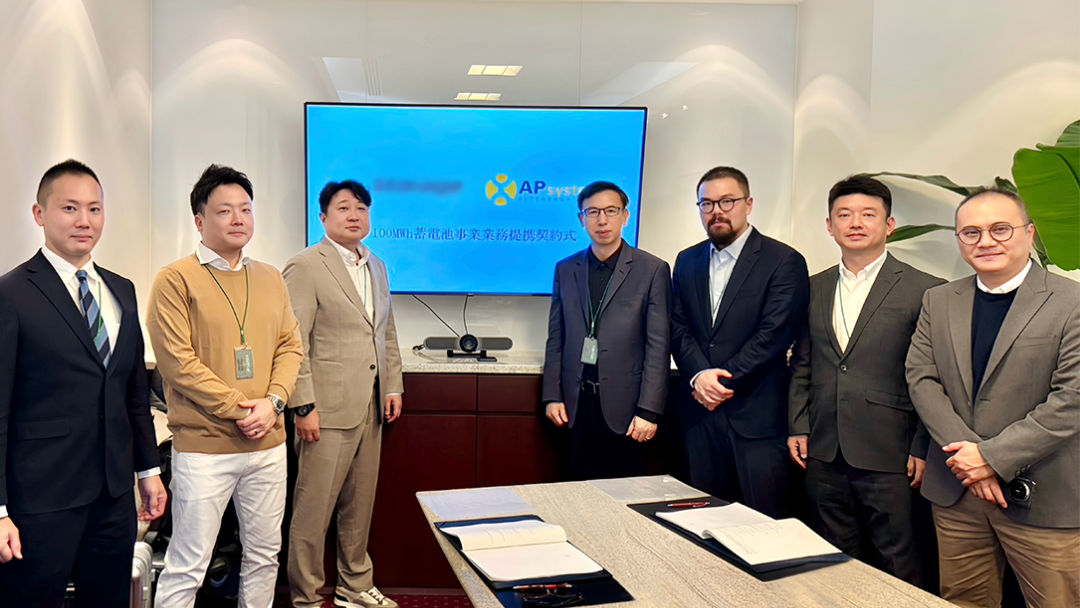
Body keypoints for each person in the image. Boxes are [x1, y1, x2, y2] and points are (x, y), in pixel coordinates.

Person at [0, 160, 165, 607]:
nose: (84, 221)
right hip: (40, 498)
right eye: (69, 208)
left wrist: (148, 471)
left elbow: (133, 393)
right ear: (39, 214)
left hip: (113, 496)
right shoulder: (11, 294)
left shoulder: (122, 290)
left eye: (94, 209)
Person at [906, 188, 1080, 607]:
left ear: (1030, 233)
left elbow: (1072, 398)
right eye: (971, 232)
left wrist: (990, 458)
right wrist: (972, 462)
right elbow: (921, 378)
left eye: (1000, 229)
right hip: (956, 491)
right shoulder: (939, 300)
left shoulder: (1072, 302)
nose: (986, 241)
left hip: (1044, 494)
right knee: (962, 600)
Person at [148, 164, 303, 608]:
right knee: (188, 565)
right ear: (199, 221)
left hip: (268, 444)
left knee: (264, 557)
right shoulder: (175, 279)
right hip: (205, 448)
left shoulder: (271, 277)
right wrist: (244, 409)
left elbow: (291, 346)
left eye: (246, 209)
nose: (238, 219)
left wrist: (274, 403)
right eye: (224, 211)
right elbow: (179, 364)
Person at [788, 175, 943, 586]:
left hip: (892, 453)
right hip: (823, 449)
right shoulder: (812, 288)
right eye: (844, 215)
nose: (855, 223)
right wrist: (798, 424)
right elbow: (803, 362)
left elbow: (935, 378)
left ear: (889, 225)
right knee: (833, 560)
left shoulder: (926, 290)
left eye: (868, 214)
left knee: (898, 562)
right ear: (829, 225)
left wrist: (922, 446)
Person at [283, 180, 404, 608]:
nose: (354, 215)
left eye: (361, 208)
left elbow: (385, 332)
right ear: (323, 217)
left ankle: (354, 587)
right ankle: (307, 597)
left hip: (370, 404)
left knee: (359, 507)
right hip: (325, 409)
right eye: (343, 207)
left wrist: (392, 385)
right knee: (313, 511)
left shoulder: (377, 265)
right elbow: (293, 341)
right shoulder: (305, 265)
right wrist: (304, 405)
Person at [670, 166, 809, 518]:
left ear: (748, 204)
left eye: (727, 201)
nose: (716, 211)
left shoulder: (783, 261)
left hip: (757, 422)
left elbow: (775, 334)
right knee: (704, 522)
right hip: (700, 418)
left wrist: (720, 382)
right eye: (707, 203)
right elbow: (678, 326)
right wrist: (699, 376)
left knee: (764, 524)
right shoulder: (686, 261)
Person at [542, 181, 671, 480]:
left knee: (624, 494)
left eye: (611, 211)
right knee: (577, 490)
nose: (602, 220)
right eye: (593, 212)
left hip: (628, 410)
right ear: (581, 219)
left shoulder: (652, 269)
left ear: (625, 216)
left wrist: (649, 411)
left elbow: (658, 346)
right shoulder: (566, 269)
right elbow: (556, 337)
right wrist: (552, 396)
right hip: (575, 405)